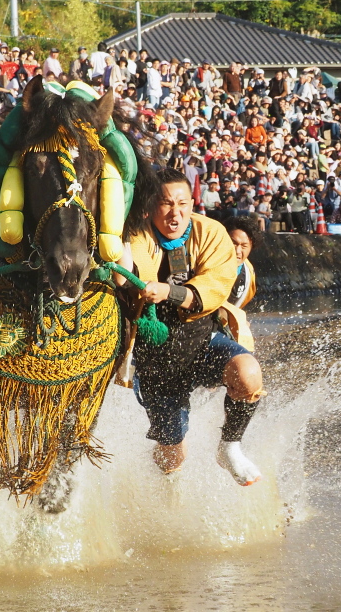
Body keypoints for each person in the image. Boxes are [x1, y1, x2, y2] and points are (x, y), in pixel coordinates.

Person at [113, 168, 264, 486]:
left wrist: (170, 291)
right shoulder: (135, 233)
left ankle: (230, 446)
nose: (175, 212)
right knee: (172, 457)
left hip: (201, 339)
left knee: (248, 374)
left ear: (193, 202)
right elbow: (122, 276)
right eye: (166, 203)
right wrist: (122, 261)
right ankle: (162, 489)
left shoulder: (210, 232)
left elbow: (213, 287)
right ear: (151, 206)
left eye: (182, 203)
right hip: (155, 359)